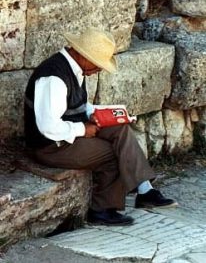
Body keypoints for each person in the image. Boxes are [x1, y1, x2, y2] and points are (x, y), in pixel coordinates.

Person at [24, 28, 176, 226]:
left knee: (119, 129)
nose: (100, 69)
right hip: (50, 146)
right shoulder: (54, 77)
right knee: (113, 154)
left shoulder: (75, 68)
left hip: (66, 134)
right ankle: (102, 210)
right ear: (83, 55)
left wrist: (101, 115)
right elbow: (48, 126)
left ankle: (145, 190)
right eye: (98, 64)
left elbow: (76, 105)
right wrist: (83, 130)